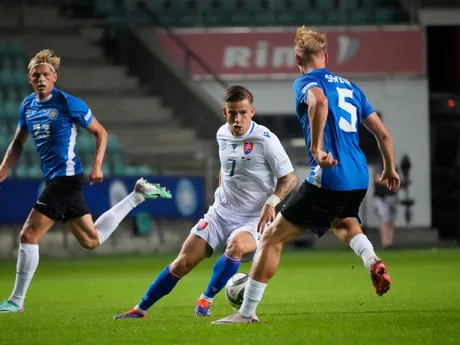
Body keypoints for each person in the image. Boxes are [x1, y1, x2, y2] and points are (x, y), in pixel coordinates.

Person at [212, 27, 401, 324]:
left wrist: (315, 147)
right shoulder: (352, 88)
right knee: (343, 222)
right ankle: (372, 260)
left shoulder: (306, 81)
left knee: (272, 238)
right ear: (326, 56)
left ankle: (246, 313)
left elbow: (319, 102)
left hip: (330, 174)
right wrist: (389, 168)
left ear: (297, 58)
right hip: (358, 177)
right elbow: (384, 135)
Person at [0, 49, 171, 313]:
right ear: (29, 79)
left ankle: (16, 301)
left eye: (46, 74)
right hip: (56, 179)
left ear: (55, 77)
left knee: (28, 233)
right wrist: (3, 169)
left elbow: (100, 132)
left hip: (66, 178)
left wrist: (97, 165)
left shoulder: (69, 103)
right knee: (91, 240)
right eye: (36, 75)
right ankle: (138, 195)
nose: (41, 79)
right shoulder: (27, 106)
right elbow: (17, 143)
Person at [113, 85, 297, 319]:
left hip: (253, 219)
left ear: (252, 111)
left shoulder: (265, 140)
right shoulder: (222, 134)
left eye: (243, 113)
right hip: (220, 213)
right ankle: (140, 309)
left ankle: (205, 300)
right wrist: (223, 189)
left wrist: (272, 202)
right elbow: (226, 167)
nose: (237, 120)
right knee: (182, 262)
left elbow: (290, 178)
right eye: (232, 113)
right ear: (224, 113)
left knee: (236, 247)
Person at [374, 160, 399, 249]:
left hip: (392, 196)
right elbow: (377, 179)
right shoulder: (380, 165)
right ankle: (385, 243)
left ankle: (390, 242)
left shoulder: (394, 165)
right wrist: (389, 181)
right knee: (384, 220)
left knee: (391, 221)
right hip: (381, 197)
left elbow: (397, 180)